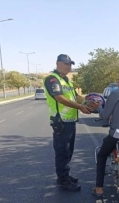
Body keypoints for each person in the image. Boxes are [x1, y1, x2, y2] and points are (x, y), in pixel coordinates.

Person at [44, 54, 91, 192]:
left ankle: (64, 175)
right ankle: (63, 180)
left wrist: (89, 102)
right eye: (66, 63)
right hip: (61, 121)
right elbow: (59, 98)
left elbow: (76, 97)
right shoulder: (52, 79)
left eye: (70, 64)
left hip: (70, 121)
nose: (69, 66)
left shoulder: (66, 81)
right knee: (62, 151)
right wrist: (80, 107)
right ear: (58, 63)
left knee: (69, 151)